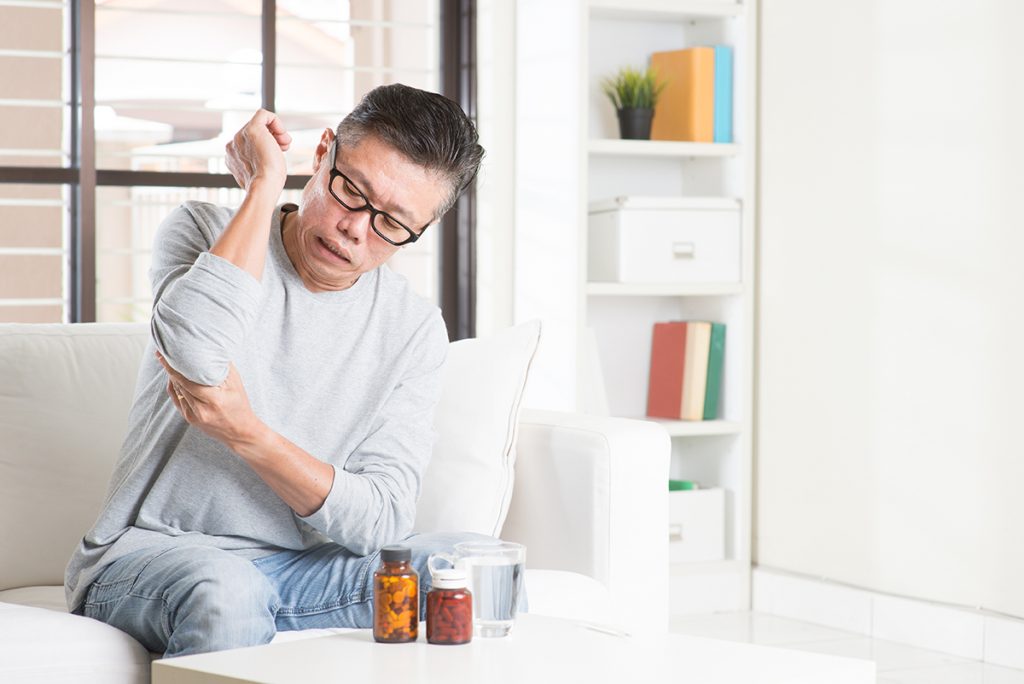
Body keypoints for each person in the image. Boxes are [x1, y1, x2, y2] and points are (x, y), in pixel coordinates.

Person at [64, 84, 489, 657]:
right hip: (151, 556)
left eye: (392, 223)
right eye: (350, 192)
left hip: (298, 572)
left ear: (421, 231)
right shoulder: (203, 232)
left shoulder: (412, 329)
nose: (356, 229)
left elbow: (384, 520)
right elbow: (196, 354)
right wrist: (263, 188)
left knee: (475, 569)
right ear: (321, 155)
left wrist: (249, 434)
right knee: (229, 591)